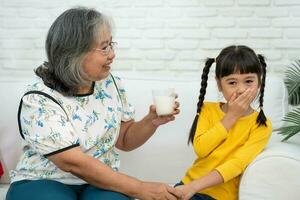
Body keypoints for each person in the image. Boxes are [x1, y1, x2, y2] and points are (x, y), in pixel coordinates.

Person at [6, 7, 181, 200]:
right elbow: (73, 162)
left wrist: (151, 121)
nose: (112, 54)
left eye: (111, 44)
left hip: (101, 182)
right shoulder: (39, 97)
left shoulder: (110, 83)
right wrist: (139, 187)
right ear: (74, 53)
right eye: (104, 47)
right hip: (42, 181)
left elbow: (124, 140)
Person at [174, 45, 272, 200]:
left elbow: (236, 164)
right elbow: (201, 149)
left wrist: (194, 187)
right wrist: (231, 116)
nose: (241, 89)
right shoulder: (207, 109)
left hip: (218, 196)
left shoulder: (261, 125)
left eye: (248, 81)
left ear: (259, 82)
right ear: (219, 85)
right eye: (232, 83)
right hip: (187, 185)